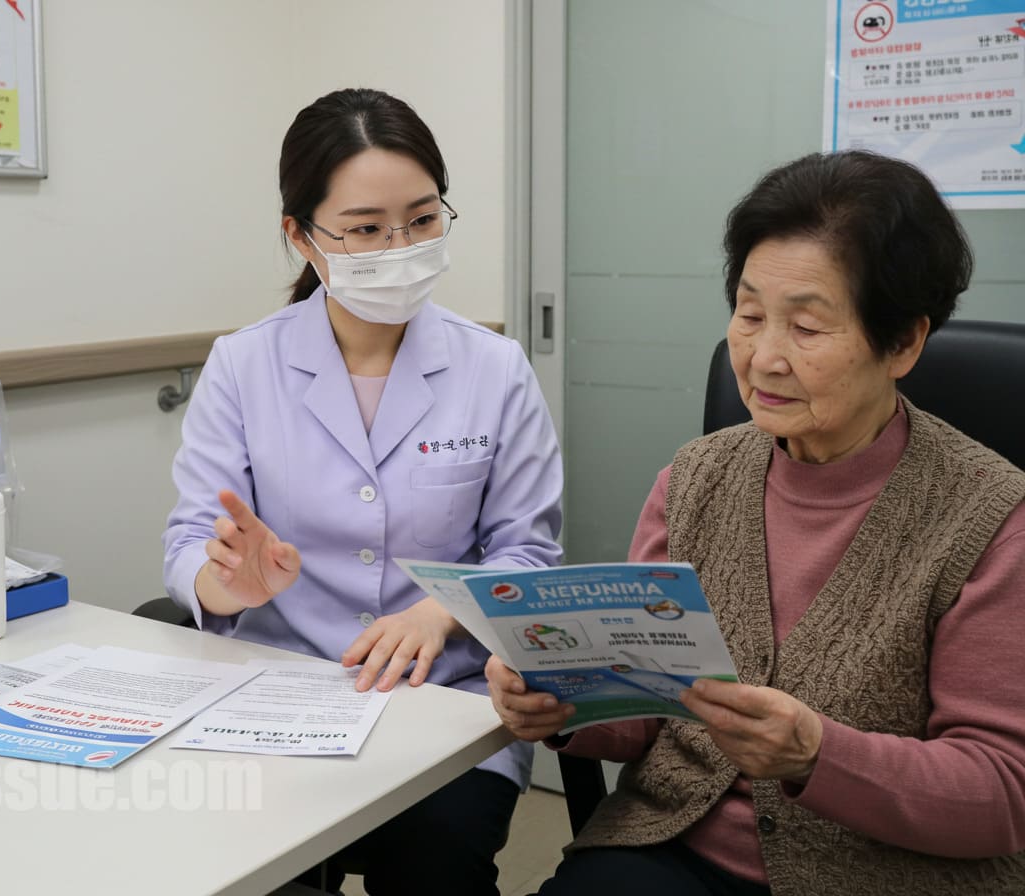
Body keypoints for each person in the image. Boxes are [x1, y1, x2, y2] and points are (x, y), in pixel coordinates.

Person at [487, 150, 1025, 895]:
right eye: (748, 314)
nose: (763, 357)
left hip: (885, 873)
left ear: (902, 342)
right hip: (673, 847)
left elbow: (1001, 792)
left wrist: (817, 753)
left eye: (806, 327)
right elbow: (648, 708)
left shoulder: (991, 516)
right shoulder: (696, 478)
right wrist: (564, 703)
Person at [163, 87, 563, 895]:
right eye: (367, 229)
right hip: (279, 695)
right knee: (236, 863)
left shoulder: (494, 369)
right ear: (302, 237)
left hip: (445, 699)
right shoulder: (244, 365)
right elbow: (188, 545)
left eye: (421, 219)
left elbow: (529, 551)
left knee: (437, 862)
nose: (399, 246)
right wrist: (227, 584)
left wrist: (439, 608)